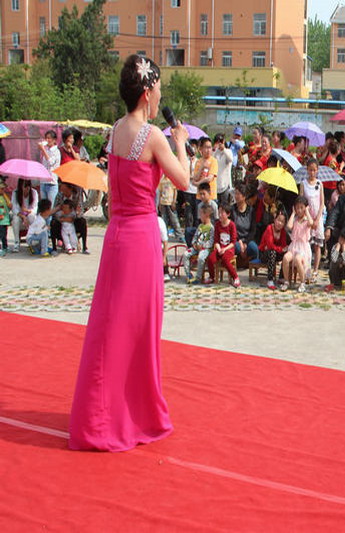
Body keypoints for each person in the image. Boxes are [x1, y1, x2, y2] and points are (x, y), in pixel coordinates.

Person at [69, 55, 190, 452]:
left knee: (109, 327)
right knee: (138, 330)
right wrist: (180, 143)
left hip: (116, 238)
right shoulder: (152, 136)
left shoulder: (116, 129)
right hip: (139, 239)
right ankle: (133, 415)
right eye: (158, 90)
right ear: (146, 92)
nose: (160, 97)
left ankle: (100, 414)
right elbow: (184, 180)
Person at [299, 158, 326, 281]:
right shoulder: (303, 184)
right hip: (307, 217)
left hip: (317, 218)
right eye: (310, 170)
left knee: (317, 245)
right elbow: (301, 201)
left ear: (317, 170)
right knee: (307, 244)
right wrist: (307, 216)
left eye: (314, 170)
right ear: (307, 170)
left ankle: (315, 269)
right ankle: (307, 268)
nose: (312, 172)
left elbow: (322, 203)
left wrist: (317, 218)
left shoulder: (319, 184)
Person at [207, 204, 241, 288]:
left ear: (228, 214)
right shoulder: (217, 224)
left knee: (225, 260)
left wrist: (225, 249)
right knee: (210, 259)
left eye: (222, 213)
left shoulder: (232, 225)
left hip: (229, 249)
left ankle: (235, 277)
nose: (220, 215)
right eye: (219, 213)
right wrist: (219, 249)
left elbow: (233, 242)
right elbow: (216, 240)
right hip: (219, 248)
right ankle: (211, 277)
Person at [183, 205, 215, 284]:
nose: (199, 216)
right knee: (186, 254)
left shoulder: (211, 228)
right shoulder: (200, 226)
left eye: (201, 214)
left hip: (205, 249)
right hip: (196, 247)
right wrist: (194, 243)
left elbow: (211, 241)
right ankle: (188, 274)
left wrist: (202, 246)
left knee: (201, 258)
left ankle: (198, 277)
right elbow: (195, 236)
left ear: (206, 215)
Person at [258, 211, 288, 290]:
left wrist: (282, 249)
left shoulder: (283, 231)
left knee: (286, 254)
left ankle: (281, 277)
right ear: (274, 219)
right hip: (264, 254)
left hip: (276, 252)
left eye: (282, 222)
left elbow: (284, 245)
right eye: (278, 220)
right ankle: (270, 280)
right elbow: (270, 245)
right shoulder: (269, 228)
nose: (279, 223)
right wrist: (280, 249)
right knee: (272, 252)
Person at [10, 180, 39, 253]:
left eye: (28, 185)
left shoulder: (34, 192)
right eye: (25, 186)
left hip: (29, 216)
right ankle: (17, 242)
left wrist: (27, 212)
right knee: (15, 219)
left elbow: (35, 208)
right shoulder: (15, 193)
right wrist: (23, 216)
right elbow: (14, 208)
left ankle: (33, 241)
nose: (27, 188)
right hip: (20, 216)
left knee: (32, 216)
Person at [37, 130, 61, 208]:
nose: (47, 140)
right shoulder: (46, 150)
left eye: (49, 138)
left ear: (54, 140)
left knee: (50, 207)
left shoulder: (56, 151)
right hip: (43, 182)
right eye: (46, 138)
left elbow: (51, 162)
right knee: (43, 207)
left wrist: (43, 150)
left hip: (52, 183)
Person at [192, 137, 219, 201]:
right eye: (206, 147)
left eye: (210, 147)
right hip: (199, 196)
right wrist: (201, 167)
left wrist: (198, 183)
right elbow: (195, 178)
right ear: (201, 148)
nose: (208, 150)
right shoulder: (198, 162)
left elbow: (209, 178)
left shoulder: (213, 161)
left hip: (211, 196)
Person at [213, 133, 233, 208]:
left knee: (225, 206)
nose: (219, 144)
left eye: (220, 141)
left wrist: (223, 149)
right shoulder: (215, 153)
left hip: (225, 184)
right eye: (217, 142)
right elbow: (211, 160)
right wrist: (215, 149)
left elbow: (230, 159)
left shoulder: (228, 151)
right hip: (215, 184)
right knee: (216, 207)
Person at [0, 180, 10, 256]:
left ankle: (5, 247)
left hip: (5, 220)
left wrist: (5, 195)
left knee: (4, 235)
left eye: (4, 189)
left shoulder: (4, 196)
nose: (3, 190)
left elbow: (10, 205)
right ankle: (2, 248)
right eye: (1, 189)